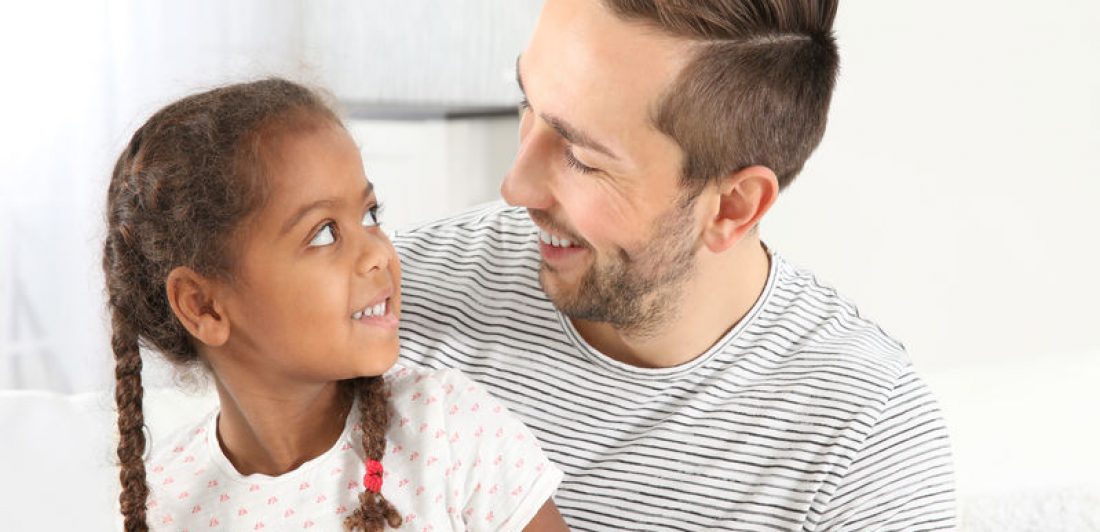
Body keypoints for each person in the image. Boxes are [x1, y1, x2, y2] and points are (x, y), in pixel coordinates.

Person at [393, 0, 955, 530]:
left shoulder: (862, 440)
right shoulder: (389, 303)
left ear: (733, 207)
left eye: (582, 158)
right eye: (527, 103)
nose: (515, 186)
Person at [103, 79, 567, 531]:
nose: (378, 253)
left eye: (370, 215)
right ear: (204, 306)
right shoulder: (167, 505)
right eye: (324, 233)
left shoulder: (447, 430)